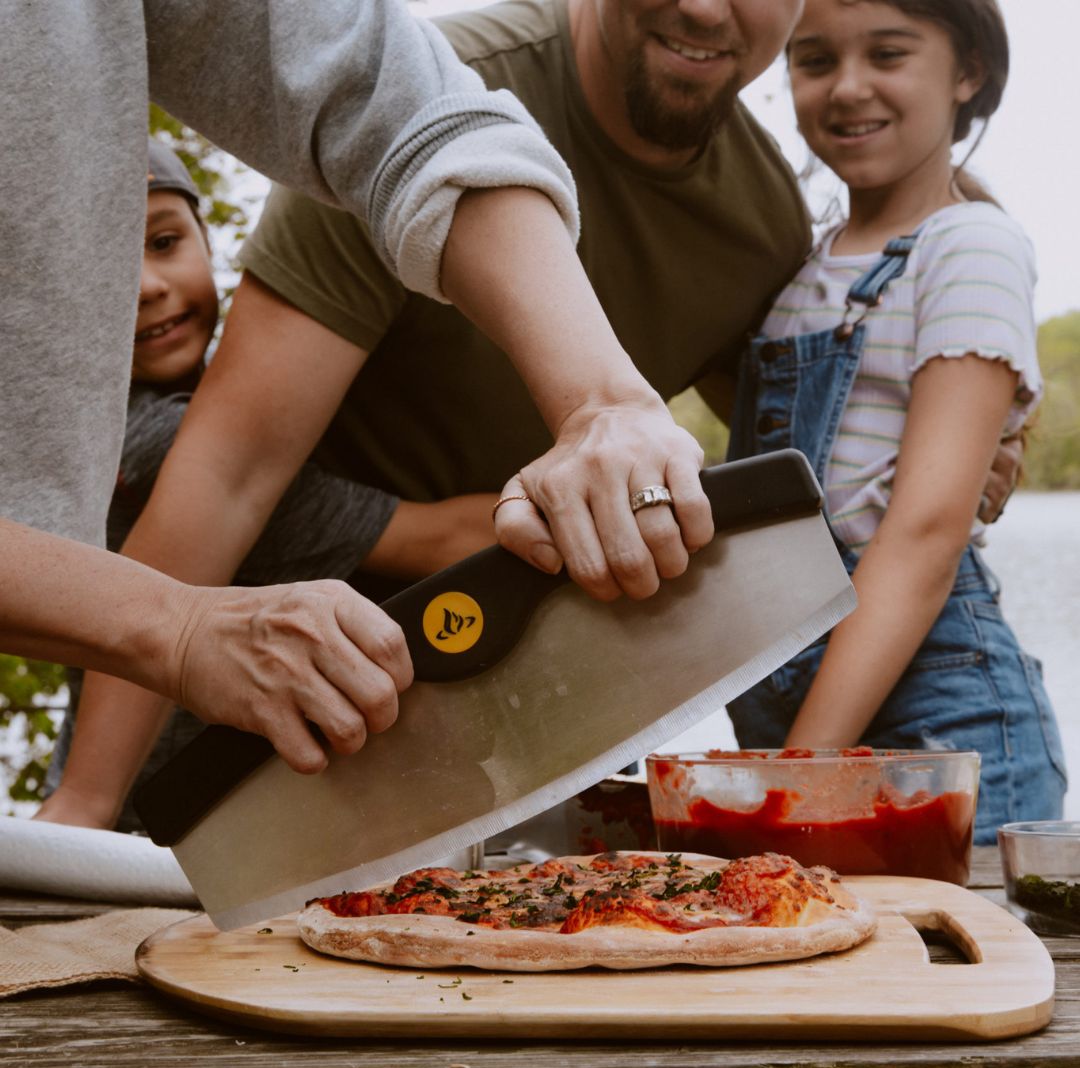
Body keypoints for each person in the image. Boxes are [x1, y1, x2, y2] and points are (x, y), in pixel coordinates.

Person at [40, 0, 1020, 830]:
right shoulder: (414, 103)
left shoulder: (763, 221)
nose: (703, 6)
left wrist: (966, 433)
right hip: (273, 724)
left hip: (529, 735)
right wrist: (86, 804)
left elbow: (800, 444)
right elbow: (227, 475)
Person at [4, 0, 713, 786]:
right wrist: (638, 514)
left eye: (166, 241)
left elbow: (399, 105)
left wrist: (603, 403)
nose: (143, 287)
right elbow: (433, 539)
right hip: (174, 807)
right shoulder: (158, 446)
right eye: (107, 262)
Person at [724, 0, 1067, 841]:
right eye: (815, 61)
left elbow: (924, 534)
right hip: (800, 706)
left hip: (939, 725)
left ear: (968, 71)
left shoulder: (971, 246)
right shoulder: (803, 267)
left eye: (887, 54)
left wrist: (795, 781)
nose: (848, 88)